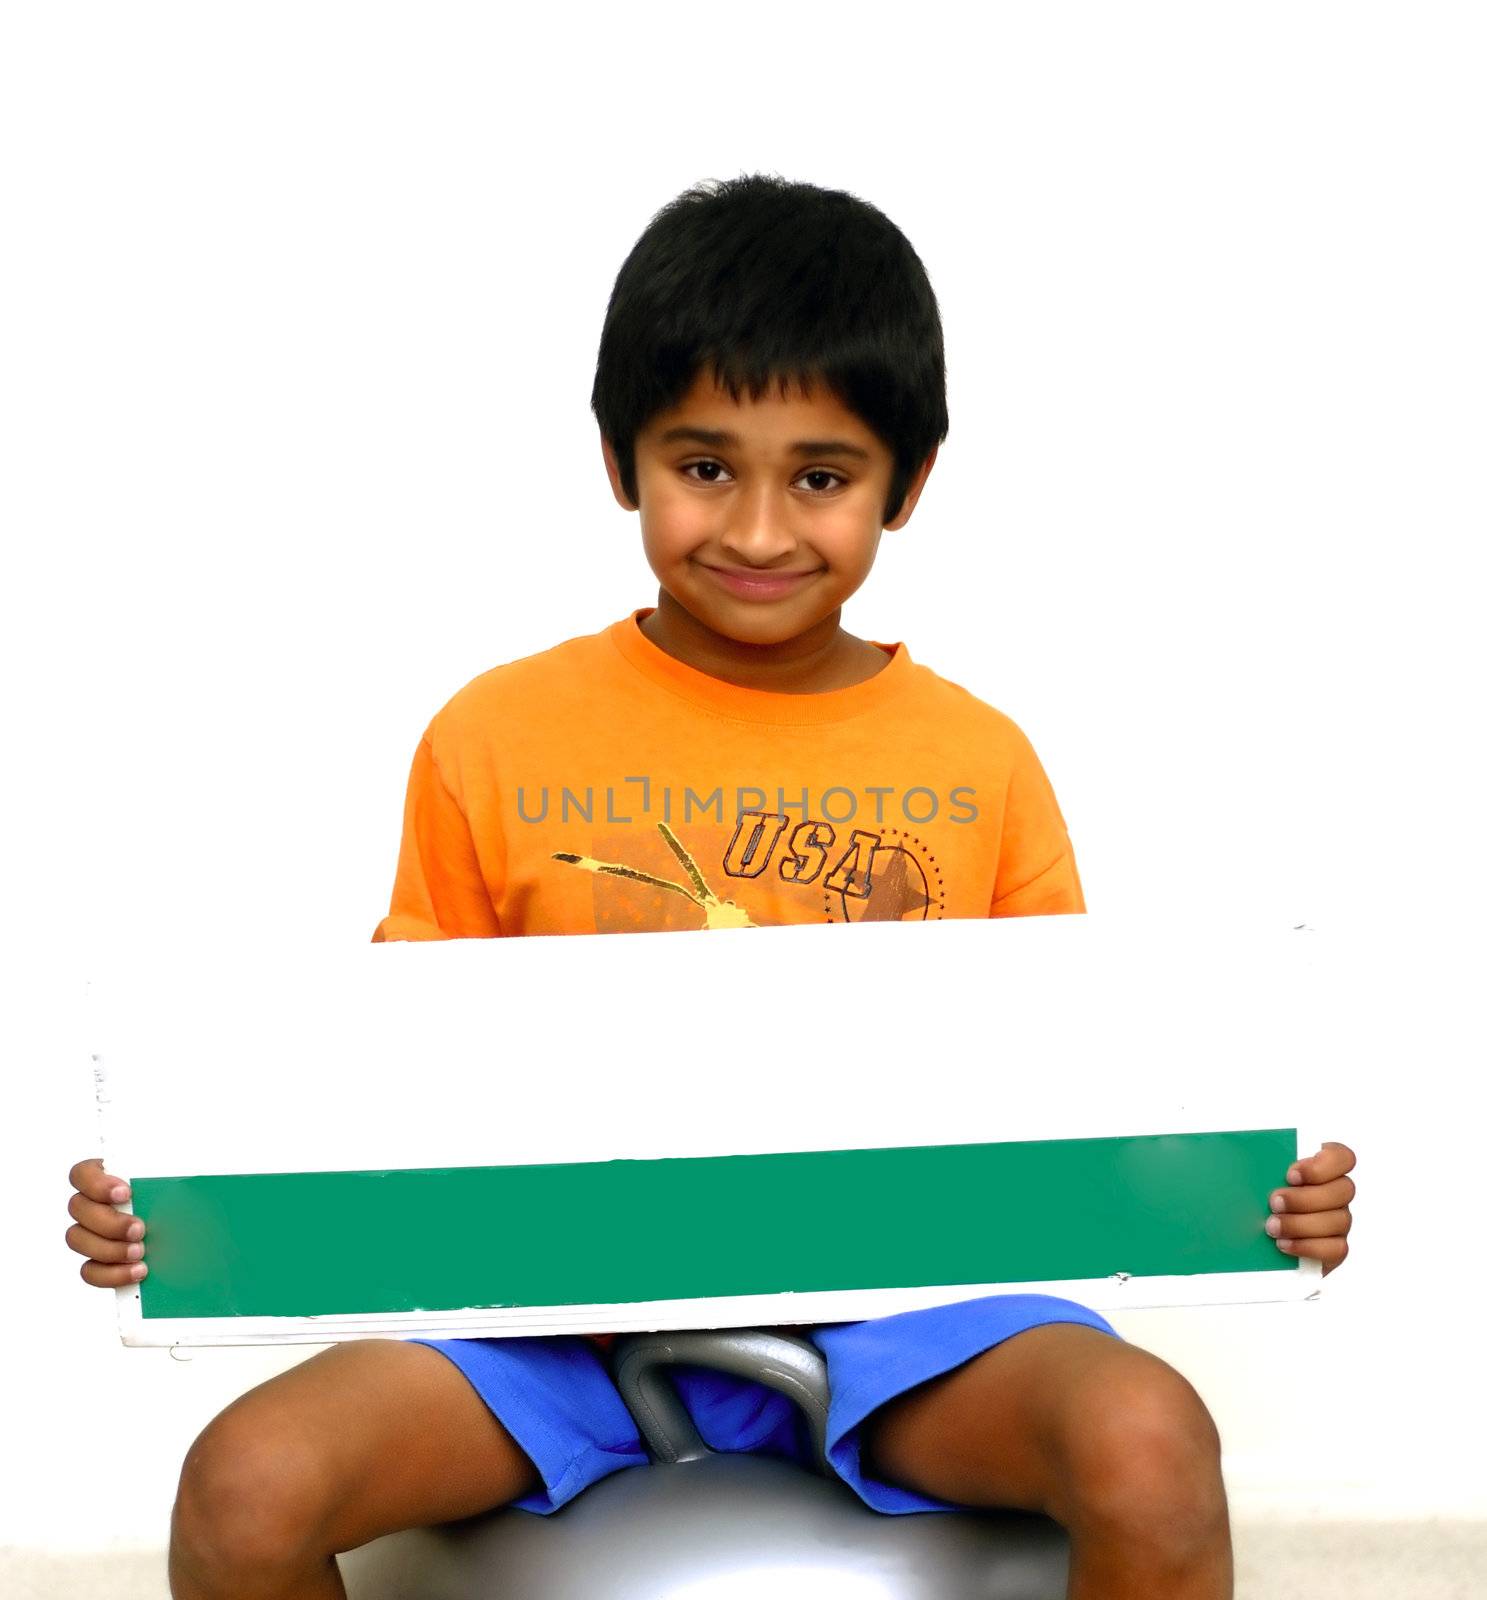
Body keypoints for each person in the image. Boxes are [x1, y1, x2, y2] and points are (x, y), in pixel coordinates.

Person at [65, 173, 1356, 1600]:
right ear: (621, 462)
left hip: (918, 1311)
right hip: (548, 1322)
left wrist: (1261, 1200)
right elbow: (390, 1083)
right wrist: (174, 1216)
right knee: (245, 1486)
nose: (754, 531)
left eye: (820, 476)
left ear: (908, 485)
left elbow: (1084, 1088)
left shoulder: (980, 758)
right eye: (702, 466)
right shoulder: (490, 735)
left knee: (1151, 1443)